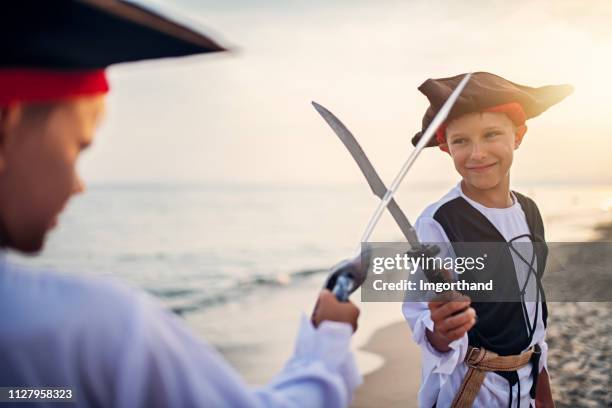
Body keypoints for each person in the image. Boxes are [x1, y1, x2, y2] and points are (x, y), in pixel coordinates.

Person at [0, 1, 361, 407]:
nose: (79, 185)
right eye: (77, 149)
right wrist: (327, 346)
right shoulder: (93, 331)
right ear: (6, 126)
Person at [402, 72, 573, 407]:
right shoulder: (439, 221)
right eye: (461, 141)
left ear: (518, 135)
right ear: (445, 147)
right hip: (471, 388)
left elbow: (532, 315)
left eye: (491, 134)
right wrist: (442, 328)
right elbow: (423, 315)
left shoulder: (529, 211)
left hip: (526, 385)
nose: (477, 154)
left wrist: (544, 395)